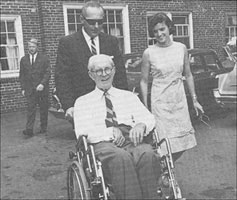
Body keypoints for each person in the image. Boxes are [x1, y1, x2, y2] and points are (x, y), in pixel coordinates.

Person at [74, 54, 160, 199]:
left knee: (147, 154)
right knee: (121, 158)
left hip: (131, 140)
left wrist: (141, 125)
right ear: (91, 75)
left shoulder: (128, 96)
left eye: (107, 69)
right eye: (98, 71)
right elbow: (82, 132)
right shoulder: (83, 102)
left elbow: (149, 118)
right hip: (102, 144)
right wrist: (109, 132)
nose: (104, 74)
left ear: (114, 70)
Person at [140, 13, 204, 161]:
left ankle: (165, 170)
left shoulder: (181, 48)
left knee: (182, 144)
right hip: (160, 102)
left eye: (162, 29)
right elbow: (143, 81)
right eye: (155, 31)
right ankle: (166, 175)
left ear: (169, 28)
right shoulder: (149, 53)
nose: (159, 34)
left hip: (178, 99)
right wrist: (145, 106)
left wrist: (194, 100)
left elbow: (188, 75)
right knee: (164, 143)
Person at [55, 1, 128, 122]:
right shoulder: (68, 43)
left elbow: (120, 74)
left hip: (111, 105)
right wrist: (68, 106)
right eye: (91, 22)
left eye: (100, 22)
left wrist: (125, 100)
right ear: (81, 19)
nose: (96, 26)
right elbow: (62, 77)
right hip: (83, 107)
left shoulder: (111, 42)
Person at [19, 38, 51, 137]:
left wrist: (42, 84)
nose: (31, 48)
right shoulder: (24, 59)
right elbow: (22, 75)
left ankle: (43, 127)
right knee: (30, 109)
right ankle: (29, 130)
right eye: (29, 46)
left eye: (33, 46)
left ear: (37, 47)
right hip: (30, 90)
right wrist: (23, 88)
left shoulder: (44, 58)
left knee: (43, 109)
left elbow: (47, 73)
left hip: (42, 89)